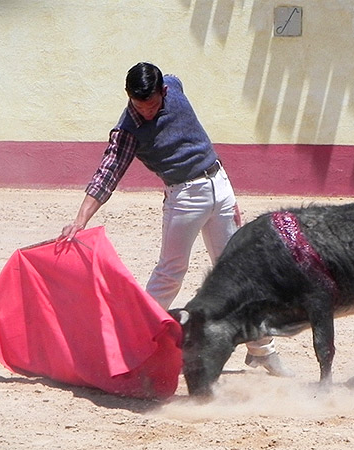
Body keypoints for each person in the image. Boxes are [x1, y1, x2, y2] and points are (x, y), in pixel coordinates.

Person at [60, 62, 292, 377]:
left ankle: (261, 349)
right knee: (170, 273)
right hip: (184, 198)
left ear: (164, 92)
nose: (147, 113)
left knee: (238, 273)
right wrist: (80, 220)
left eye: (153, 105)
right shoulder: (128, 129)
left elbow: (175, 74)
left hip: (220, 185)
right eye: (139, 107)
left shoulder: (173, 86)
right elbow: (108, 171)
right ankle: (132, 346)